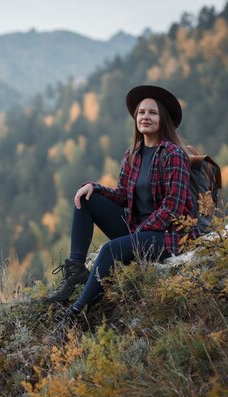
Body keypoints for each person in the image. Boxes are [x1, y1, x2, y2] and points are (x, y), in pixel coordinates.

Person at [47, 85, 198, 316]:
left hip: (170, 236)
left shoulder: (173, 154)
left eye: (152, 112)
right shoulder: (133, 153)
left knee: (109, 250)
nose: (145, 117)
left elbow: (172, 208)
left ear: (163, 119)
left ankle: (76, 313)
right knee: (86, 199)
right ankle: (76, 271)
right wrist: (93, 187)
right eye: (141, 112)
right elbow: (122, 196)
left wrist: (138, 235)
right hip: (140, 230)